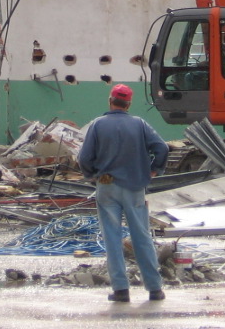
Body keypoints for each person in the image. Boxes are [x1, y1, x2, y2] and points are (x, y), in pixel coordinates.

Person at [78, 83, 169, 303]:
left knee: (112, 237)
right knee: (141, 236)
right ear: (129, 104)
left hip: (106, 184)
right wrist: (154, 169)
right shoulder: (140, 124)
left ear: (110, 101)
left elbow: (84, 157)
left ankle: (120, 290)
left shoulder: (98, 124)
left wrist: (91, 175)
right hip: (135, 185)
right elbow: (162, 148)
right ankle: (154, 289)